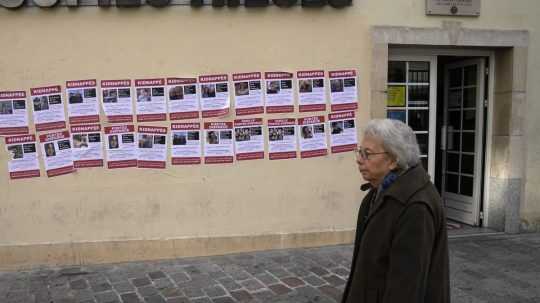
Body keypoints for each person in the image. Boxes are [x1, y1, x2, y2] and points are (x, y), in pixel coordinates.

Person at [342, 119, 449, 303]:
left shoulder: (416, 207)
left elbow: (406, 288)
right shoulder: (379, 191)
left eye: (367, 154)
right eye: (360, 152)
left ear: (393, 160)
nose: (359, 159)